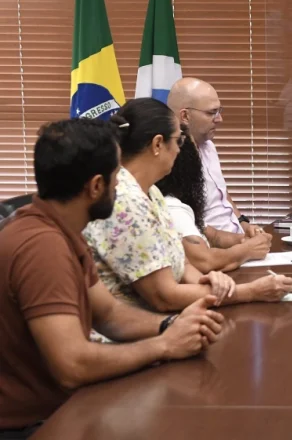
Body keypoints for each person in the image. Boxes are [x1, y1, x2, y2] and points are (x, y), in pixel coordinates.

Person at [0, 119, 225, 438]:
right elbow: (73, 365)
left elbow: (109, 315)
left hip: (65, 407)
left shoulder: (63, 231)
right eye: (117, 175)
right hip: (34, 425)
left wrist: (172, 325)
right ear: (95, 186)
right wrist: (163, 345)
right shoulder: (42, 248)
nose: (121, 186)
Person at [83, 98, 292, 313]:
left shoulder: (152, 192)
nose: (180, 151)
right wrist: (250, 292)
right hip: (140, 326)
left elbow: (181, 263)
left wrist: (209, 282)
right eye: (179, 141)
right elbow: (163, 296)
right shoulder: (126, 202)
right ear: (158, 145)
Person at [155, 127, 272, 273]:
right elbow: (205, 261)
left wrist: (245, 238)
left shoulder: (178, 204)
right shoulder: (172, 207)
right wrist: (248, 249)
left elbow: (214, 236)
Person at [166, 78, 262, 237]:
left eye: (219, 111)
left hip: (236, 237)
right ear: (185, 116)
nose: (219, 119)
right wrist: (240, 243)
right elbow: (188, 224)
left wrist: (244, 223)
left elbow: (222, 194)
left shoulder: (209, 146)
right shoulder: (171, 159)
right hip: (211, 244)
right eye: (211, 113)